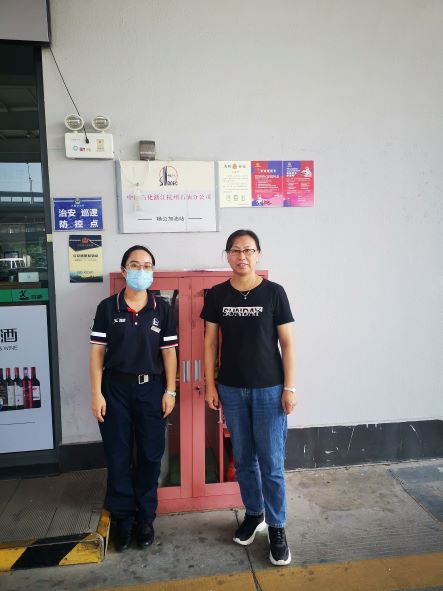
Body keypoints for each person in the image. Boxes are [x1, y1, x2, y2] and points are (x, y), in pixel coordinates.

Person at [201, 229, 296, 566]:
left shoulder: (274, 293)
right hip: (231, 389)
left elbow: (287, 343)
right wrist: (210, 385)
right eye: (235, 250)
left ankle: (277, 526)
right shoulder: (217, 295)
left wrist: (290, 387)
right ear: (227, 255)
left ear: (258, 254)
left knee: (271, 462)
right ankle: (254, 514)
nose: (242, 256)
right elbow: (210, 343)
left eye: (248, 250)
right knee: (243, 459)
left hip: (270, 389)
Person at [89, 245, 177, 552]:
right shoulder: (107, 308)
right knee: (118, 454)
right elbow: (97, 353)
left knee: (151, 455)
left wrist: (170, 390)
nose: (142, 270)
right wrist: (97, 393)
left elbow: (169, 352)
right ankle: (123, 519)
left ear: (153, 271)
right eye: (135, 265)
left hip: (151, 390)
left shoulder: (162, 308)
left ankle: (145, 518)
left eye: (147, 265)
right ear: (124, 270)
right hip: (115, 389)